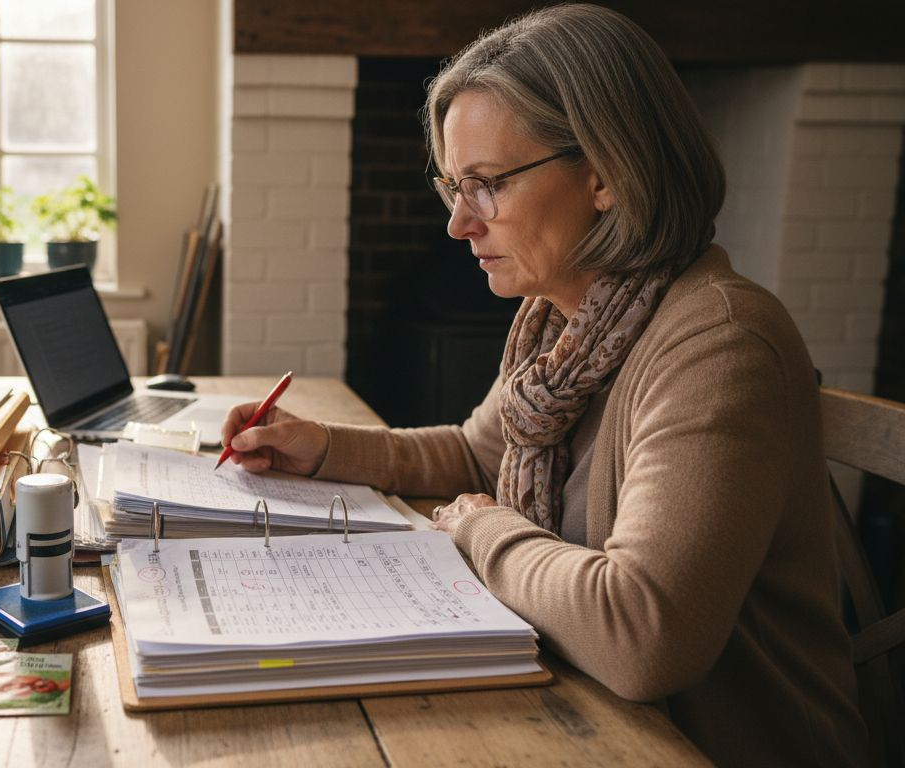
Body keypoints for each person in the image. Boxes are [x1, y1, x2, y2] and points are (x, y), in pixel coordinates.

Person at [219, 5, 868, 766]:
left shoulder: (719, 344)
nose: (459, 224)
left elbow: (642, 635)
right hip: (586, 705)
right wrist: (323, 447)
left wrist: (481, 530)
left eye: (488, 184)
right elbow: (476, 452)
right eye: (454, 186)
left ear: (607, 173)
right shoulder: (568, 321)